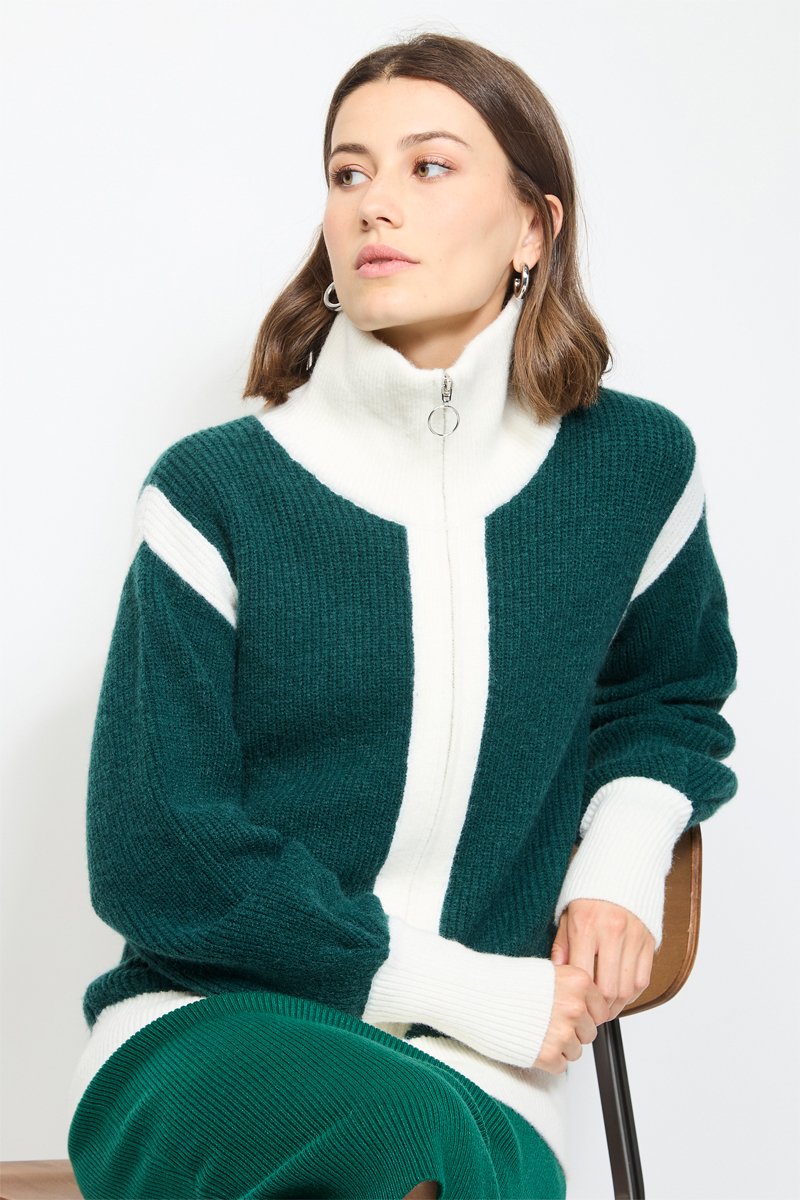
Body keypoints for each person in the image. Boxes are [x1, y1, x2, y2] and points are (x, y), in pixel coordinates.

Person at [66, 31, 738, 1200]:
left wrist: (621, 860)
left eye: (428, 166)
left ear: (532, 226)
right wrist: (458, 988)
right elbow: (156, 849)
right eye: (348, 171)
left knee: (435, 1148)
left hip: (483, 1073)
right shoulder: (215, 493)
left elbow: (666, 693)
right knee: (397, 1142)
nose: (374, 203)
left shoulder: (631, 469)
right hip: (206, 1026)